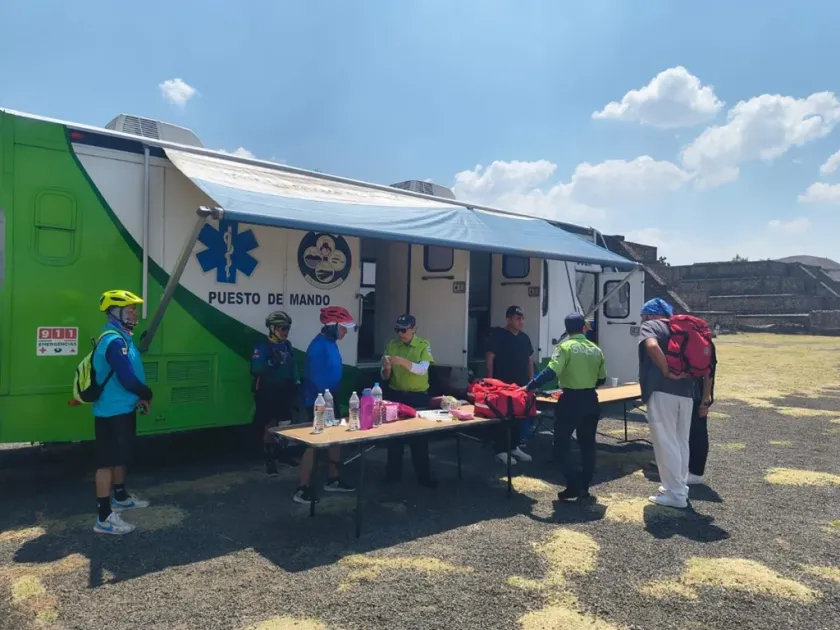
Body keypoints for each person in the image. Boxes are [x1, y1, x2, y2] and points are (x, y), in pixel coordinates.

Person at [523, 312, 606, 501]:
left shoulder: (565, 347)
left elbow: (551, 371)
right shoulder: (595, 349)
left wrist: (530, 386)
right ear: (583, 328)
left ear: (567, 329)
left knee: (561, 443)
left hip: (571, 400)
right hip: (591, 399)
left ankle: (573, 483)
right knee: (587, 444)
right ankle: (584, 485)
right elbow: (602, 378)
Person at [91, 290, 153, 535]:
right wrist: (146, 393)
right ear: (114, 312)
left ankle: (120, 496)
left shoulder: (122, 337)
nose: (135, 313)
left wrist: (137, 398)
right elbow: (127, 379)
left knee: (119, 457)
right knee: (106, 462)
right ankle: (104, 518)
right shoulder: (113, 341)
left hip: (123, 408)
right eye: (130, 309)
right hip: (111, 412)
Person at [296, 306, 357, 504]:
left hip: (331, 399)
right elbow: (314, 379)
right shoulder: (318, 346)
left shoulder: (331, 342)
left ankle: (333, 479)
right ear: (332, 326)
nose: (346, 331)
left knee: (335, 439)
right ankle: (302, 488)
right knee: (313, 444)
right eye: (344, 327)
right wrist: (324, 401)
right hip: (318, 401)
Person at [638, 298, 694, 508]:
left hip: (662, 390)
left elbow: (651, 346)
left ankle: (675, 494)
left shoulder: (652, 326)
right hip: (687, 391)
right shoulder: (682, 328)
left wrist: (665, 371)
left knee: (665, 442)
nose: (642, 319)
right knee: (680, 441)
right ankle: (679, 487)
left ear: (650, 315)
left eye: (643, 315)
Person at [381, 314, 438, 488]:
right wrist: (387, 368)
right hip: (396, 394)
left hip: (417, 396)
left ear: (414, 329)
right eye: (397, 329)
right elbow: (384, 375)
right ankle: (392, 476)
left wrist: (403, 362)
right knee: (394, 438)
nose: (400, 333)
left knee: (419, 439)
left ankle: (424, 477)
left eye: (404, 330)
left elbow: (422, 369)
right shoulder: (392, 345)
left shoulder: (423, 345)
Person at [251, 310, 301, 475]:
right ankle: (270, 459)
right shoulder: (262, 346)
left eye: (287, 328)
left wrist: (296, 381)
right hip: (267, 389)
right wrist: (271, 362)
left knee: (285, 423)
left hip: (284, 389)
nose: (286, 332)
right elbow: (254, 369)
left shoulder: (287, 345)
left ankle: (282, 455)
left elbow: (292, 364)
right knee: (269, 425)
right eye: (282, 328)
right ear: (272, 328)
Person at [485, 305, 534, 465]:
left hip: (521, 385)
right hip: (502, 385)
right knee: (502, 417)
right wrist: (490, 380)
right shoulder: (499, 336)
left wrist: (531, 381)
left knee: (518, 416)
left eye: (522, 318)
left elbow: (529, 359)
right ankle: (500, 450)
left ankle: (514, 447)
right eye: (517, 318)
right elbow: (490, 357)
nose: (521, 322)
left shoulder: (525, 338)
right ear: (509, 319)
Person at [688, 342, 716, 485]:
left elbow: (708, 372)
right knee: (690, 431)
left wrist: (705, 398)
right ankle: (689, 468)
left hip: (696, 393)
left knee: (697, 431)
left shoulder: (699, 341)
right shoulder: (703, 340)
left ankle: (696, 472)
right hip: (694, 392)